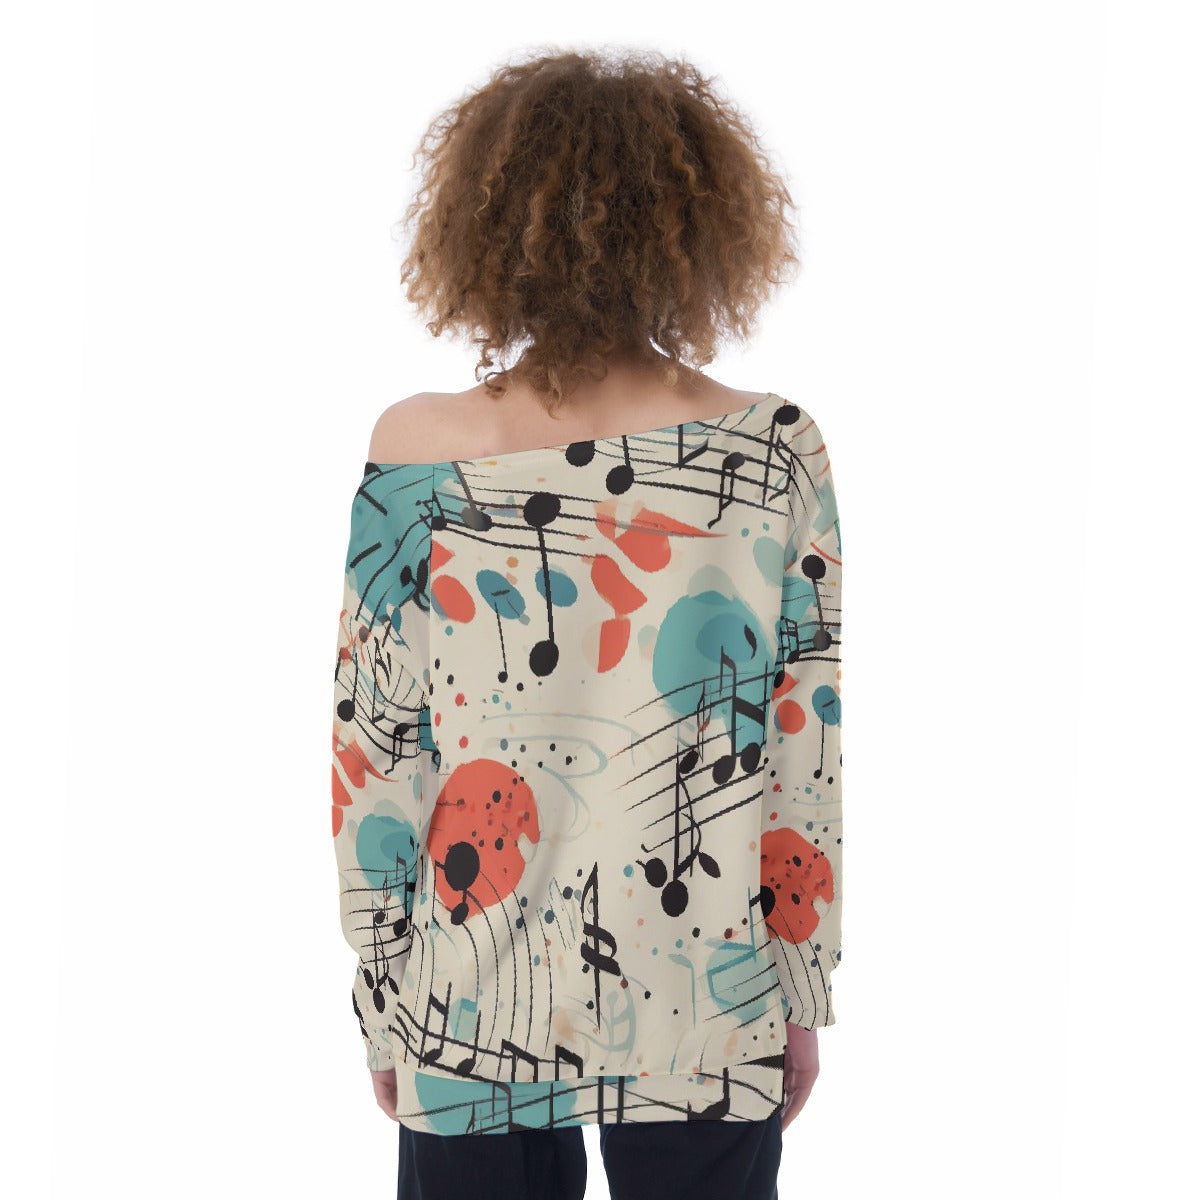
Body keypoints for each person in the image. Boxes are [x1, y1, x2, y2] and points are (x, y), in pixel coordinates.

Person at [329, 46, 843, 1200]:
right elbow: (801, 746)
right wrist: (799, 989)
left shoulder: (416, 449)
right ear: (698, 229)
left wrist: (382, 1001)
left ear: (483, 227)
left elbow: (375, 756)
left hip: (466, 993)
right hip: (708, 989)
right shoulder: (771, 449)